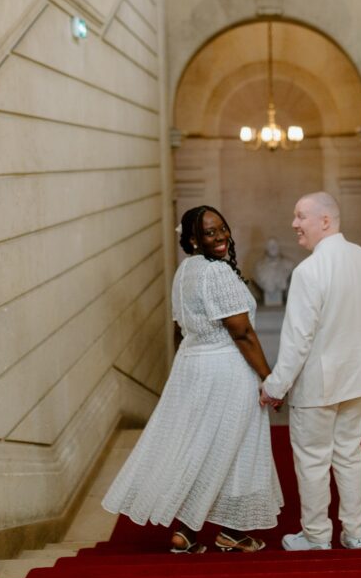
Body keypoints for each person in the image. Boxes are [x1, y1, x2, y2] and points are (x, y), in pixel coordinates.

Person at [103, 205, 283, 554]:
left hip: (193, 365)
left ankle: (186, 532)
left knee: (203, 446)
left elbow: (178, 329)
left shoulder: (186, 270)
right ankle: (230, 531)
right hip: (227, 369)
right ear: (192, 240)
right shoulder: (216, 273)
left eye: (222, 229)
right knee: (238, 447)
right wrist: (269, 378)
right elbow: (242, 332)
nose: (219, 237)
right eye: (209, 233)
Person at [260, 192, 361, 551]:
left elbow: (298, 341)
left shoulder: (308, 271)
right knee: (350, 454)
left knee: (314, 460)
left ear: (325, 221)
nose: (294, 224)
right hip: (358, 378)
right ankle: (356, 533)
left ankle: (316, 536)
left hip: (318, 385)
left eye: (301, 216)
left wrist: (275, 387)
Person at [253, 237, 294, 306]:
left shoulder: (288, 264)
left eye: (275, 245)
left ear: (279, 247)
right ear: (266, 248)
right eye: (270, 246)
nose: (273, 248)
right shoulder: (258, 266)